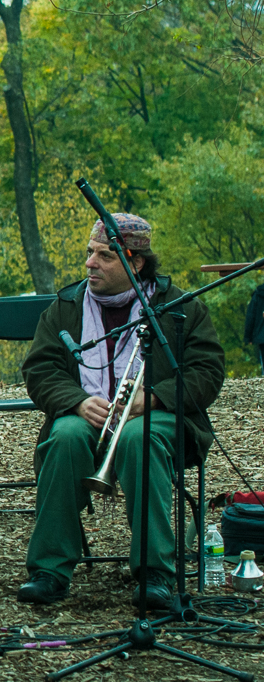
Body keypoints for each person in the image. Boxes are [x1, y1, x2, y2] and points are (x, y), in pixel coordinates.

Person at [18, 214, 226, 611]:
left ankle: (155, 575)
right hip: (84, 418)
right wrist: (76, 401)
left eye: (104, 256)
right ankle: (49, 572)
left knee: (138, 436)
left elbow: (208, 371)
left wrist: (154, 399)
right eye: (89, 253)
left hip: (160, 418)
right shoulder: (65, 307)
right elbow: (39, 369)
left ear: (136, 263)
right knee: (64, 436)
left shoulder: (179, 307)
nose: (90, 263)